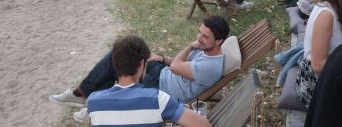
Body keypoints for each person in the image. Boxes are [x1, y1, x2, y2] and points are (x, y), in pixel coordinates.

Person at [50, 15, 229, 117]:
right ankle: (80, 94)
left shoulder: (210, 67)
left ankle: (92, 107)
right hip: (161, 73)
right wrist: (161, 58)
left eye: (205, 36)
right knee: (120, 53)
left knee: (126, 73)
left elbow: (176, 66)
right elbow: (177, 64)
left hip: (160, 89)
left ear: (219, 40)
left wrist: (190, 46)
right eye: (199, 33)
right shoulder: (206, 49)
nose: (199, 38)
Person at [86, 35, 211, 127]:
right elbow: (204, 125)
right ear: (142, 64)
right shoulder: (158, 99)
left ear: (114, 63)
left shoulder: (93, 101)